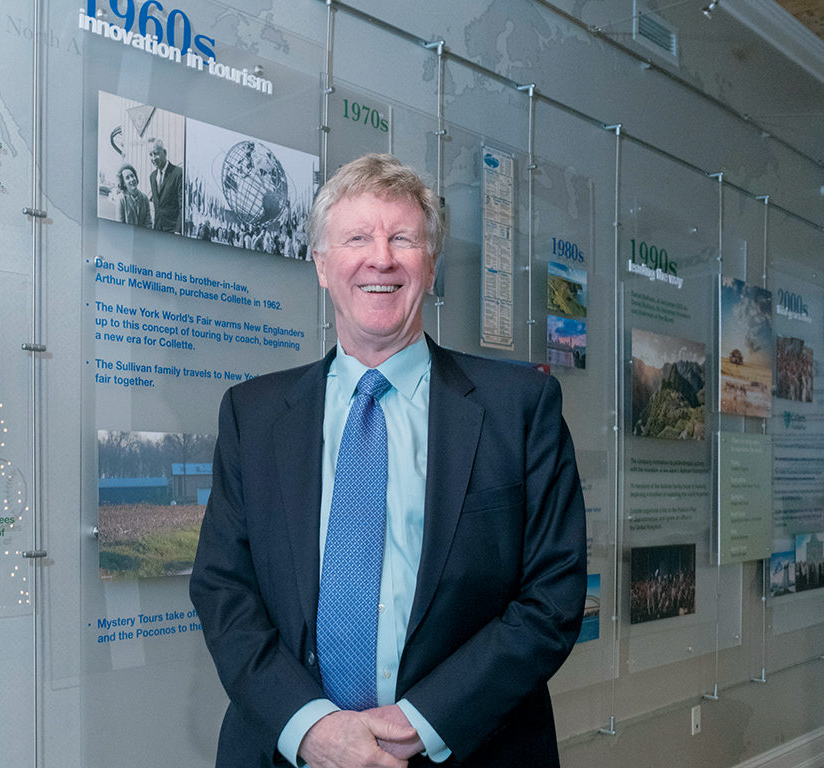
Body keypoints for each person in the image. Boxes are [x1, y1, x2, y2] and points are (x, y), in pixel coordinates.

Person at [189, 154, 586, 768]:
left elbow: (552, 595)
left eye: (402, 238)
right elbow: (223, 589)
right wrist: (311, 728)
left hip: (469, 747)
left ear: (429, 265)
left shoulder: (520, 407)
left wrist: (421, 722)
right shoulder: (253, 415)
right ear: (323, 265)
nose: (381, 258)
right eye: (356, 238)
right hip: (285, 752)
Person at [148, 138, 183, 233]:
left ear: (165, 152)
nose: (153, 158)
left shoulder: (178, 173)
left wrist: (178, 230)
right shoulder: (152, 177)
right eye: (150, 155)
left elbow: (182, 207)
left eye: (156, 153)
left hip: (173, 231)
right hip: (157, 230)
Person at [116, 163, 151, 228]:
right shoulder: (121, 200)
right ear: (123, 183)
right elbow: (120, 225)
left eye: (132, 176)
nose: (132, 179)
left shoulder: (145, 198)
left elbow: (148, 222)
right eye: (127, 178)